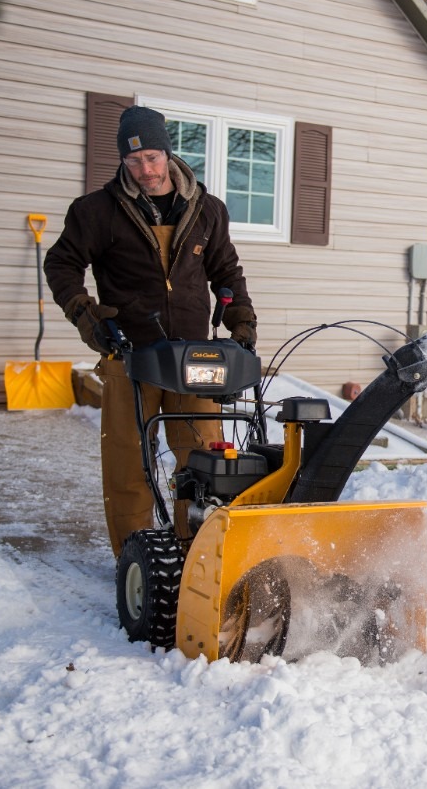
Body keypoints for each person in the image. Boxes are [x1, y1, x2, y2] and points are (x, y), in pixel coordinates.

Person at [44, 105, 257, 558]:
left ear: (168, 153)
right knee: (128, 464)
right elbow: (61, 264)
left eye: (153, 158)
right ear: (123, 160)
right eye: (134, 160)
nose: (145, 170)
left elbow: (226, 271)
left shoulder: (207, 209)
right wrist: (87, 316)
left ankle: (194, 555)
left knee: (202, 457)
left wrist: (242, 321)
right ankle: (134, 560)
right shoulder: (95, 211)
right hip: (128, 353)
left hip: (193, 358)